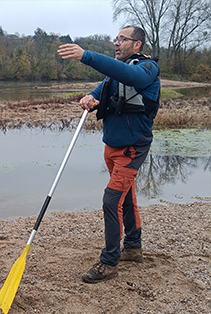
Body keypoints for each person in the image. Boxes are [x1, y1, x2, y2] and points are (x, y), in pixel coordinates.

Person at [57, 26, 160, 283]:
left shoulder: (146, 70)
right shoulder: (115, 71)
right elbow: (103, 88)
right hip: (111, 145)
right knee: (126, 197)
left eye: (122, 39)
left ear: (137, 45)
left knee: (111, 200)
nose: (117, 43)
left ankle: (109, 261)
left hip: (132, 146)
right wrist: (89, 98)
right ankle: (133, 247)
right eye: (116, 38)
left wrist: (86, 56)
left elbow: (126, 74)